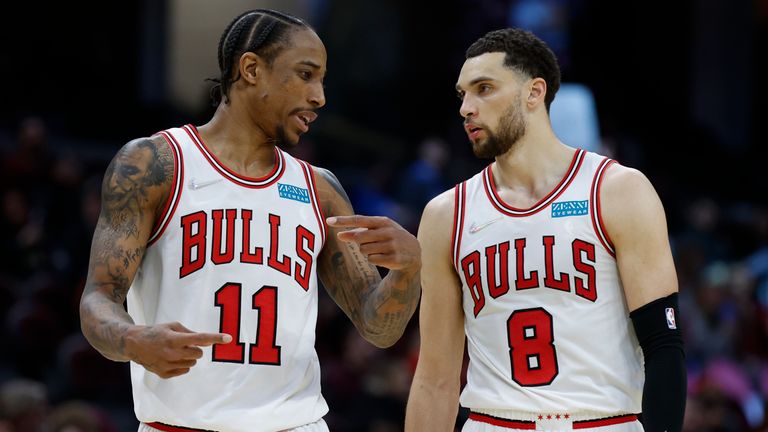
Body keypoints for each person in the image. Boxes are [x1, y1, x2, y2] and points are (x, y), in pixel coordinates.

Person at [79, 9, 421, 432]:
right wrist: (132, 340)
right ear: (251, 69)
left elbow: (378, 327)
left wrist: (407, 271)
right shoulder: (156, 163)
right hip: (180, 424)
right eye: (305, 74)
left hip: (295, 424)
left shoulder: (320, 189)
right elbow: (98, 300)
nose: (319, 97)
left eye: (322, 80)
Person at [405, 28, 685, 432]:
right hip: (494, 422)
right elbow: (435, 380)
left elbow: (664, 347)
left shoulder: (618, 190)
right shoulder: (446, 214)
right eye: (462, 94)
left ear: (534, 92)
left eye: (483, 89)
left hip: (602, 422)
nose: (467, 107)